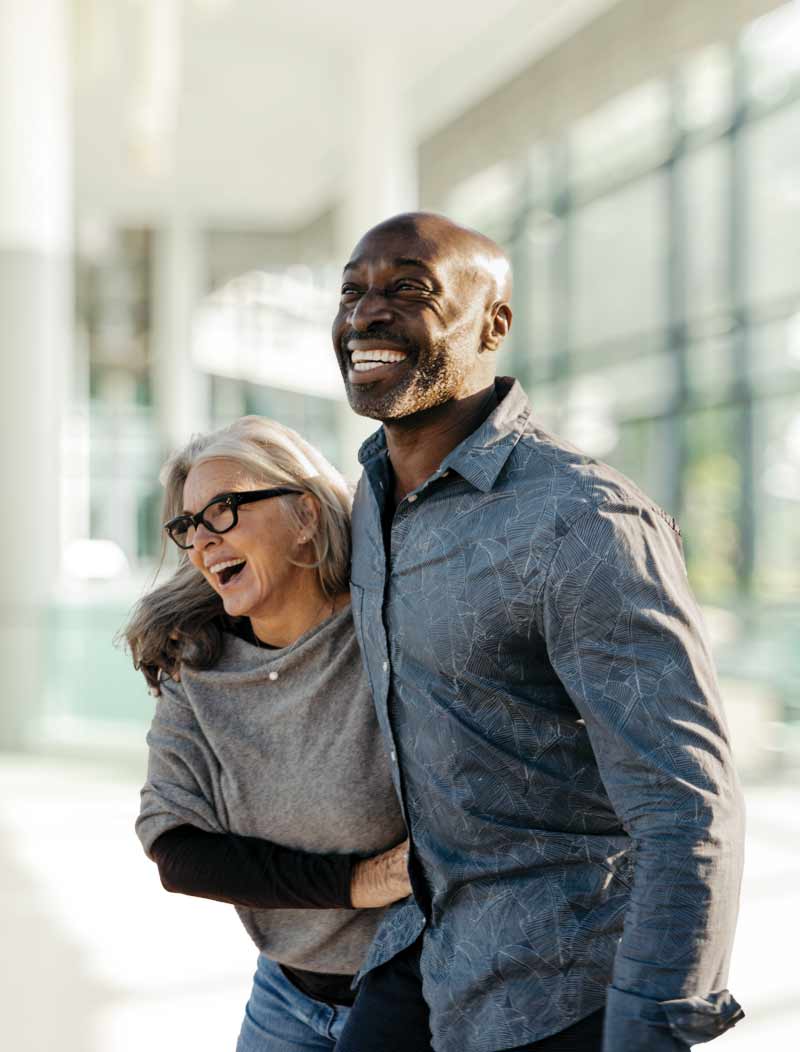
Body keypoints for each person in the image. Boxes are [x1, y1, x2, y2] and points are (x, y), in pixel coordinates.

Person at [330, 212, 746, 1052]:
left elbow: (688, 805)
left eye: (409, 288)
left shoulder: (581, 520)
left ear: (494, 323)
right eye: (352, 290)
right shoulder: (371, 503)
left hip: (567, 987)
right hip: (429, 952)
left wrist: (650, 1027)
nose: (367, 313)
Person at [126, 416, 412, 1052]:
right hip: (287, 994)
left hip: (417, 988)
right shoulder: (195, 664)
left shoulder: (391, 636)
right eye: (188, 526)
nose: (201, 542)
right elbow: (176, 849)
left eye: (223, 511)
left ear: (305, 514)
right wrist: (360, 882)